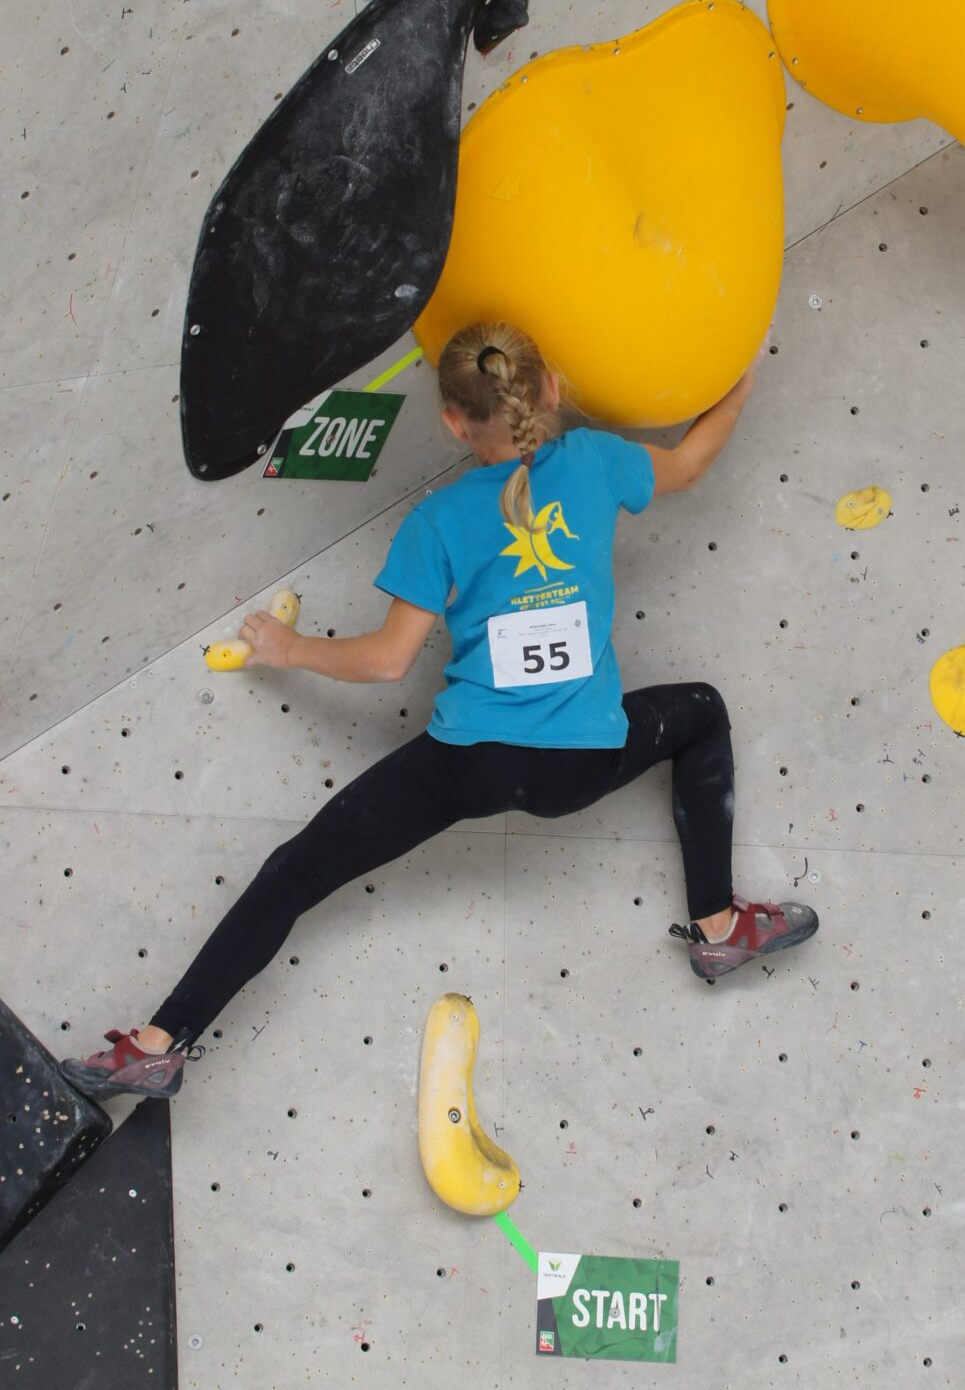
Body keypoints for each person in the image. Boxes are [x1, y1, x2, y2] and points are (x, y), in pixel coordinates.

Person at [62, 322, 817, 1102]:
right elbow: (689, 464)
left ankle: (159, 1045)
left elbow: (388, 660)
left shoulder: (438, 521)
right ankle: (720, 930)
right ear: (551, 390)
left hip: (469, 766)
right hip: (584, 762)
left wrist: (291, 648)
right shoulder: (595, 463)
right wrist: (734, 385)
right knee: (701, 711)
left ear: (455, 422)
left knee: (297, 872)